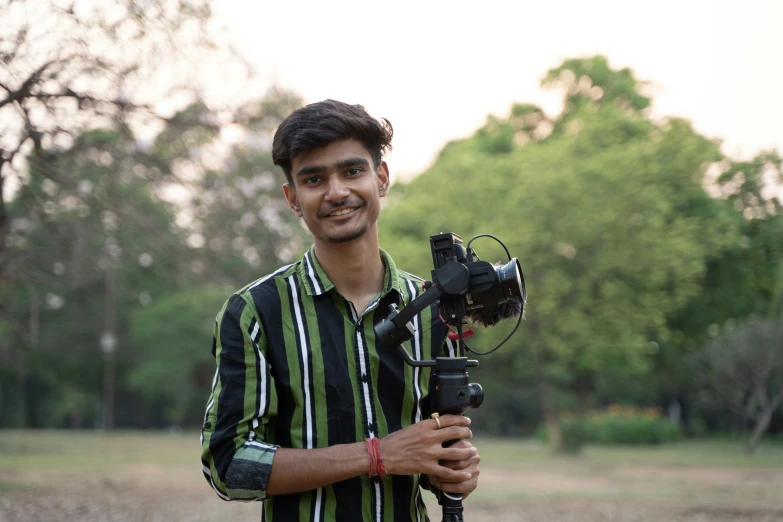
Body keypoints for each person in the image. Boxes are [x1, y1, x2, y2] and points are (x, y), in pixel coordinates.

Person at [200, 100, 480, 521]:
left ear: (381, 178)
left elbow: (429, 452)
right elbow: (228, 465)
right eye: (315, 179)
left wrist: (450, 471)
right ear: (293, 198)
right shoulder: (255, 312)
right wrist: (376, 455)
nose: (336, 192)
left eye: (352, 171)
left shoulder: (434, 307)